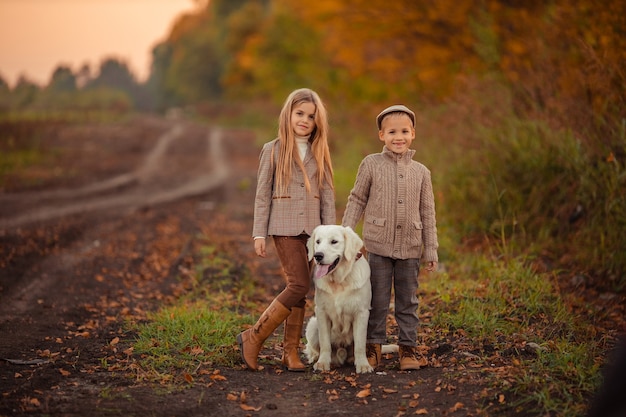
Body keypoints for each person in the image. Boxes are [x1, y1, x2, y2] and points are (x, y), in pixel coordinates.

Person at [237, 88, 336, 371]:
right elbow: (261, 194)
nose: (305, 120)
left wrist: (330, 237)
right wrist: (259, 233)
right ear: (288, 115)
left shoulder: (320, 151)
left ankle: (289, 353)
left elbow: (327, 195)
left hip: (314, 233)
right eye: (300, 114)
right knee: (299, 284)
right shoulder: (273, 149)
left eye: (311, 116)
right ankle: (253, 337)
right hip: (284, 227)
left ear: (318, 122)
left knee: (301, 289)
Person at [342, 104, 438, 371]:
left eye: (405, 131)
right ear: (381, 135)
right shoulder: (371, 164)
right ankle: (373, 346)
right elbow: (357, 199)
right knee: (376, 299)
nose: (399, 137)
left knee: (408, 300)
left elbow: (428, 212)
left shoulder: (421, 172)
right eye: (392, 132)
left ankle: (408, 348)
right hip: (377, 246)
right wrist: (345, 237)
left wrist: (430, 249)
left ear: (413, 134)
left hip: (410, 247)